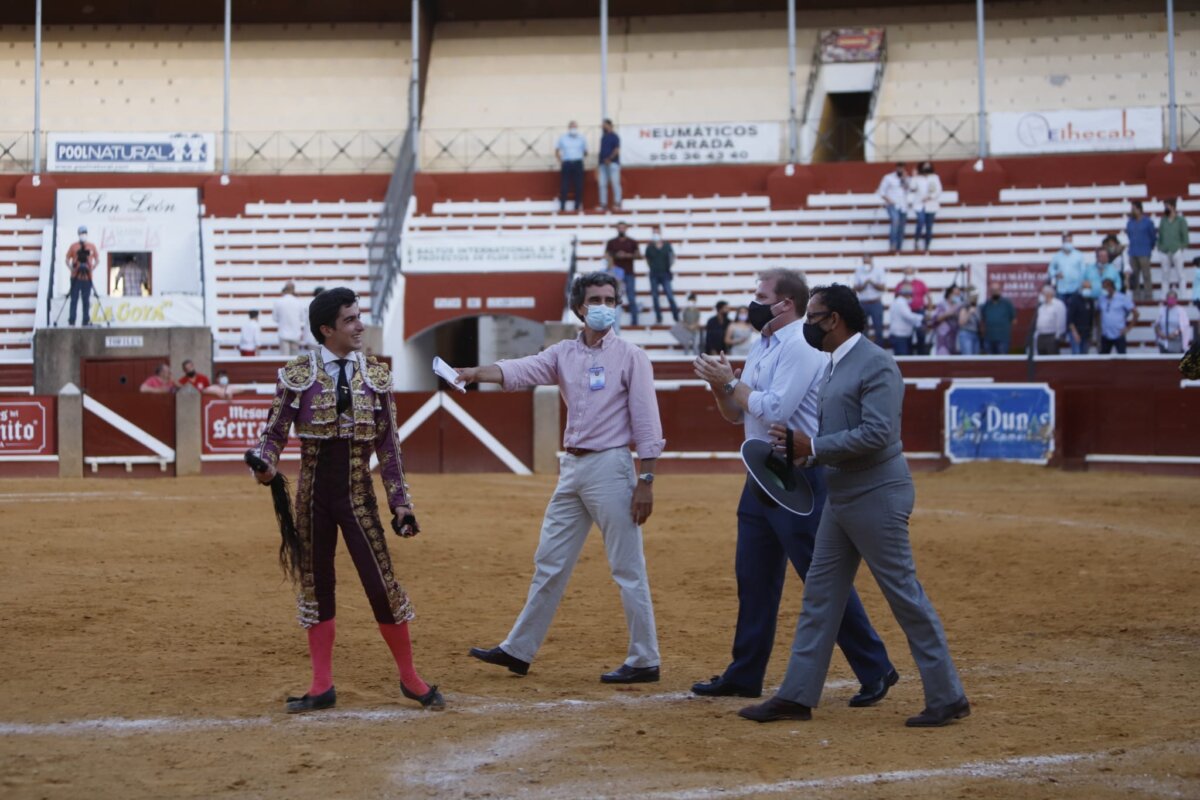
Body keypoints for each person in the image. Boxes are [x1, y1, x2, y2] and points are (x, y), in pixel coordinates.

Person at [738, 283, 968, 727]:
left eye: (813, 318)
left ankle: (948, 695)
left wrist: (816, 446)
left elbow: (878, 433)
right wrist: (804, 453)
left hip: (877, 494)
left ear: (834, 320)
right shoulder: (833, 364)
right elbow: (840, 436)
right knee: (820, 598)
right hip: (841, 494)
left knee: (904, 595)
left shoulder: (877, 363)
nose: (807, 326)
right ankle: (797, 695)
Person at [690, 269, 896, 705]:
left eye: (761, 295)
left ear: (785, 304)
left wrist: (731, 383)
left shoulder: (801, 345)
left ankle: (875, 667)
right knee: (754, 575)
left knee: (819, 577)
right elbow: (737, 413)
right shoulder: (763, 344)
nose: (754, 301)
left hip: (797, 472)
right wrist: (719, 385)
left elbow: (776, 408)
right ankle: (746, 672)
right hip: (762, 471)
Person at [459, 272, 663, 684]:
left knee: (627, 566)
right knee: (549, 562)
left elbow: (646, 419)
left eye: (610, 297)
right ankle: (519, 649)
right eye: (595, 298)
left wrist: (646, 479)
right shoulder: (563, 353)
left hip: (611, 467)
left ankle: (645, 659)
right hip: (572, 468)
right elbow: (522, 369)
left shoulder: (631, 356)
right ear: (579, 308)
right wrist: (474, 373)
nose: (604, 304)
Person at [251, 287, 443, 714]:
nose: (360, 326)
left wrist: (400, 502)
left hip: (357, 493)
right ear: (326, 330)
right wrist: (263, 465)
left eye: (359, 317)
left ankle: (410, 679)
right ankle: (322, 685)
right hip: (313, 496)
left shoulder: (376, 377)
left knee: (381, 583)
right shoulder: (298, 373)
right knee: (316, 585)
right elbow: (274, 433)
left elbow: (390, 446)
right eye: (350, 320)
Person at [605, 222, 642, 326]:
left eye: (623, 228)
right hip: (616, 275)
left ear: (626, 229)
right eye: (619, 228)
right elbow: (606, 255)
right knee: (614, 298)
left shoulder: (632, 242)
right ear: (617, 229)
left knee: (631, 297)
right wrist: (615, 256)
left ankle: (635, 322)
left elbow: (639, 255)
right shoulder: (612, 242)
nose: (621, 230)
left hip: (629, 273)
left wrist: (627, 255)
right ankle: (612, 322)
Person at [644, 226, 679, 324]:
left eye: (657, 232)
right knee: (655, 297)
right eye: (654, 232)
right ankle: (659, 317)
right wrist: (653, 267)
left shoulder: (667, 245)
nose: (656, 234)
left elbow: (672, 257)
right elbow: (647, 259)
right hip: (654, 274)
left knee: (670, 295)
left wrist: (668, 266)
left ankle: (676, 316)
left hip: (665, 273)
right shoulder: (649, 247)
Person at [66, 225, 98, 327]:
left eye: (84, 233)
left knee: (86, 299)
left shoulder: (91, 246)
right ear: (78, 234)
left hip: (87, 277)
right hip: (76, 276)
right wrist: (71, 268)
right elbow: (67, 258)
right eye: (81, 233)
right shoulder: (73, 246)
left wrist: (92, 268)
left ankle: (85, 320)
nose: (83, 235)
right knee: (74, 299)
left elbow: (97, 259)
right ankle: (72, 320)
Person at [1157, 198, 1189, 297]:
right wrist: (1160, 247)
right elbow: (1160, 235)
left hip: (1176, 250)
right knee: (1165, 276)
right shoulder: (1163, 220)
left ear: (1173, 207)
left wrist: (1180, 248)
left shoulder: (1181, 220)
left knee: (1181, 274)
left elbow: (1185, 237)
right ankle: (1164, 297)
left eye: (1167, 206)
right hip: (1164, 251)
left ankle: (1184, 296)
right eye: (1165, 206)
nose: (1165, 208)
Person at [1125, 201, 1156, 301]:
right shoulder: (1130, 222)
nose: (1132, 211)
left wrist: (1149, 247)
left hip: (1144, 251)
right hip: (1133, 251)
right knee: (1134, 276)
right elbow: (1129, 235)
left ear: (1139, 209)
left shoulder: (1148, 222)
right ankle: (1136, 296)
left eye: (1134, 209)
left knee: (1146, 275)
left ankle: (1148, 295)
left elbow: (1153, 237)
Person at [1097, 277, 1137, 354]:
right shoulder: (1101, 299)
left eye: (1105, 288)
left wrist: (1128, 328)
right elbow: (1098, 313)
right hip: (1105, 334)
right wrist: (1099, 328)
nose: (1103, 291)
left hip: (1119, 334)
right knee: (1103, 360)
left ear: (1110, 287)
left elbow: (1136, 313)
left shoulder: (1122, 298)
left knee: (1122, 359)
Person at [852, 255, 887, 346]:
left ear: (872, 260)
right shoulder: (858, 271)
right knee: (863, 329)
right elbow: (856, 288)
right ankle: (864, 349)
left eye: (867, 262)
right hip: (863, 303)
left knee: (878, 328)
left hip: (875, 302)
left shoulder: (879, 270)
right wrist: (864, 284)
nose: (866, 264)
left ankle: (880, 349)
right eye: (864, 262)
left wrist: (872, 283)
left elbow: (882, 287)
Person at [908, 161, 941, 253]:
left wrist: (930, 197)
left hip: (931, 204)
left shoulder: (935, 177)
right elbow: (912, 188)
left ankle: (927, 245)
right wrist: (913, 176)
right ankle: (916, 239)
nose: (926, 168)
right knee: (920, 221)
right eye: (925, 166)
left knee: (929, 226)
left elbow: (938, 190)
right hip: (919, 204)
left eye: (928, 166)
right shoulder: (917, 178)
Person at [894, 267, 929, 353]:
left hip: (919, 311)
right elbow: (907, 315)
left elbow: (928, 296)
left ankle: (922, 357)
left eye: (910, 273)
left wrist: (929, 312)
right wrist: (923, 318)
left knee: (921, 336)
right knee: (908, 337)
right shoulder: (900, 286)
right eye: (907, 273)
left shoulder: (920, 283)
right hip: (908, 313)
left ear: (913, 272)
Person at [556, 121, 587, 213]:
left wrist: (580, 157)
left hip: (578, 162)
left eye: (575, 127)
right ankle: (562, 206)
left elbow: (585, 151)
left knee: (579, 185)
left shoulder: (582, 138)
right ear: (568, 128)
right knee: (564, 185)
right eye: (572, 127)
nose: (573, 129)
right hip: (567, 162)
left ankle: (577, 206)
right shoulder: (563, 138)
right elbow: (557, 151)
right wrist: (560, 161)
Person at [877, 163, 909, 253]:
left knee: (901, 227)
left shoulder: (906, 178)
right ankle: (892, 244)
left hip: (903, 206)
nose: (900, 170)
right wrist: (888, 200)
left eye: (902, 168)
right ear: (896, 168)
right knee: (895, 221)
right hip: (892, 204)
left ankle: (899, 247)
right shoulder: (888, 178)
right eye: (899, 168)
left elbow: (909, 190)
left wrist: (905, 179)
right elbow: (881, 191)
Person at [1047, 232, 1086, 307]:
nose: (1068, 243)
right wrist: (1055, 273)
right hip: (1062, 289)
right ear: (1062, 242)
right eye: (1066, 241)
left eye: (1069, 241)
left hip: (1076, 289)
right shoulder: (1057, 256)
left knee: (1074, 311)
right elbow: (1050, 269)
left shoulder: (1079, 255)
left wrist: (1081, 284)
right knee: (1061, 310)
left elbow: (1083, 271)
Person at [888, 282, 924, 356]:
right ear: (907, 294)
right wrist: (922, 317)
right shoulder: (900, 302)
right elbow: (908, 316)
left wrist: (919, 324)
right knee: (903, 360)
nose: (912, 296)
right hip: (900, 336)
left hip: (903, 335)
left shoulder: (901, 302)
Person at [273, 281, 307, 356]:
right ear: (293, 290)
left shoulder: (278, 302)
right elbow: (302, 318)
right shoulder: (299, 302)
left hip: (283, 334)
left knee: (284, 360)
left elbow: (275, 318)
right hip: (296, 334)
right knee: (294, 361)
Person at [980, 282, 1015, 355]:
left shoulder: (1007, 303)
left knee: (1002, 363)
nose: (995, 292)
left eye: (996, 290)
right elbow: (982, 318)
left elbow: (1014, 320)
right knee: (989, 363)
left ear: (1000, 290)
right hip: (989, 338)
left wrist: (1003, 327)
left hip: (1003, 338)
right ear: (990, 291)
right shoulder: (986, 304)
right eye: (993, 290)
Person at [1153, 289, 1193, 354]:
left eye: (1172, 298)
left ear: (1176, 299)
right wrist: (1159, 333)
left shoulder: (1181, 310)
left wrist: (1175, 333)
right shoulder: (1162, 310)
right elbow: (1157, 324)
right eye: (1169, 298)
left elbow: (1185, 325)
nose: (1170, 300)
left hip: (1176, 342)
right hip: (1163, 342)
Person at [596, 118, 622, 212]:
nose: (603, 127)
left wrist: (610, 158)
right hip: (602, 164)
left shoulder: (615, 136)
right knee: (602, 184)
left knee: (615, 183)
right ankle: (603, 204)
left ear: (609, 125)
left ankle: (617, 203)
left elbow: (617, 149)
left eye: (604, 125)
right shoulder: (603, 137)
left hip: (613, 164)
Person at [1034, 285, 1067, 356]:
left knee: (1052, 359)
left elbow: (1061, 320)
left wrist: (1058, 335)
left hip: (1052, 335)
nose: (1041, 295)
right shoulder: (1042, 307)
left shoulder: (1058, 304)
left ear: (1049, 294)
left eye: (1043, 293)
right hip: (1041, 336)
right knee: (1041, 358)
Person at [1066, 280, 1097, 355]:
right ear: (1081, 288)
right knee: (1076, 355)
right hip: (1076, 331)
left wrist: (1090, 335)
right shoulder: (1074, 300)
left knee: (1085, 355)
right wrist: (1075, 333)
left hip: (1086, 333)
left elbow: (1091, 319)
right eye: (1085, 287)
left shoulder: (1090, 301)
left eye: (1089, 288)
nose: (1087, 289)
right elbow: (1070, 319)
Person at [931, 286, 963, 356]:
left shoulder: (960, 306)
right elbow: (935, 319)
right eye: (955, 294)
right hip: (943, 338)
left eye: (958, 294)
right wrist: (948, 314)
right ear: (949, 294)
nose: (957, 296)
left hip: (955, 337)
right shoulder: (941, 305)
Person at [956, 289, 982, 356]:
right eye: (972, 296)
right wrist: (969, 313)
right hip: (966, 334)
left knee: (976, 359)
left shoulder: (978, 307)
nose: (974, 298)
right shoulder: (964, 307)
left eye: (976, 296)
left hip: (976, 334)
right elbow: (961, 322)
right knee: (968, 357)